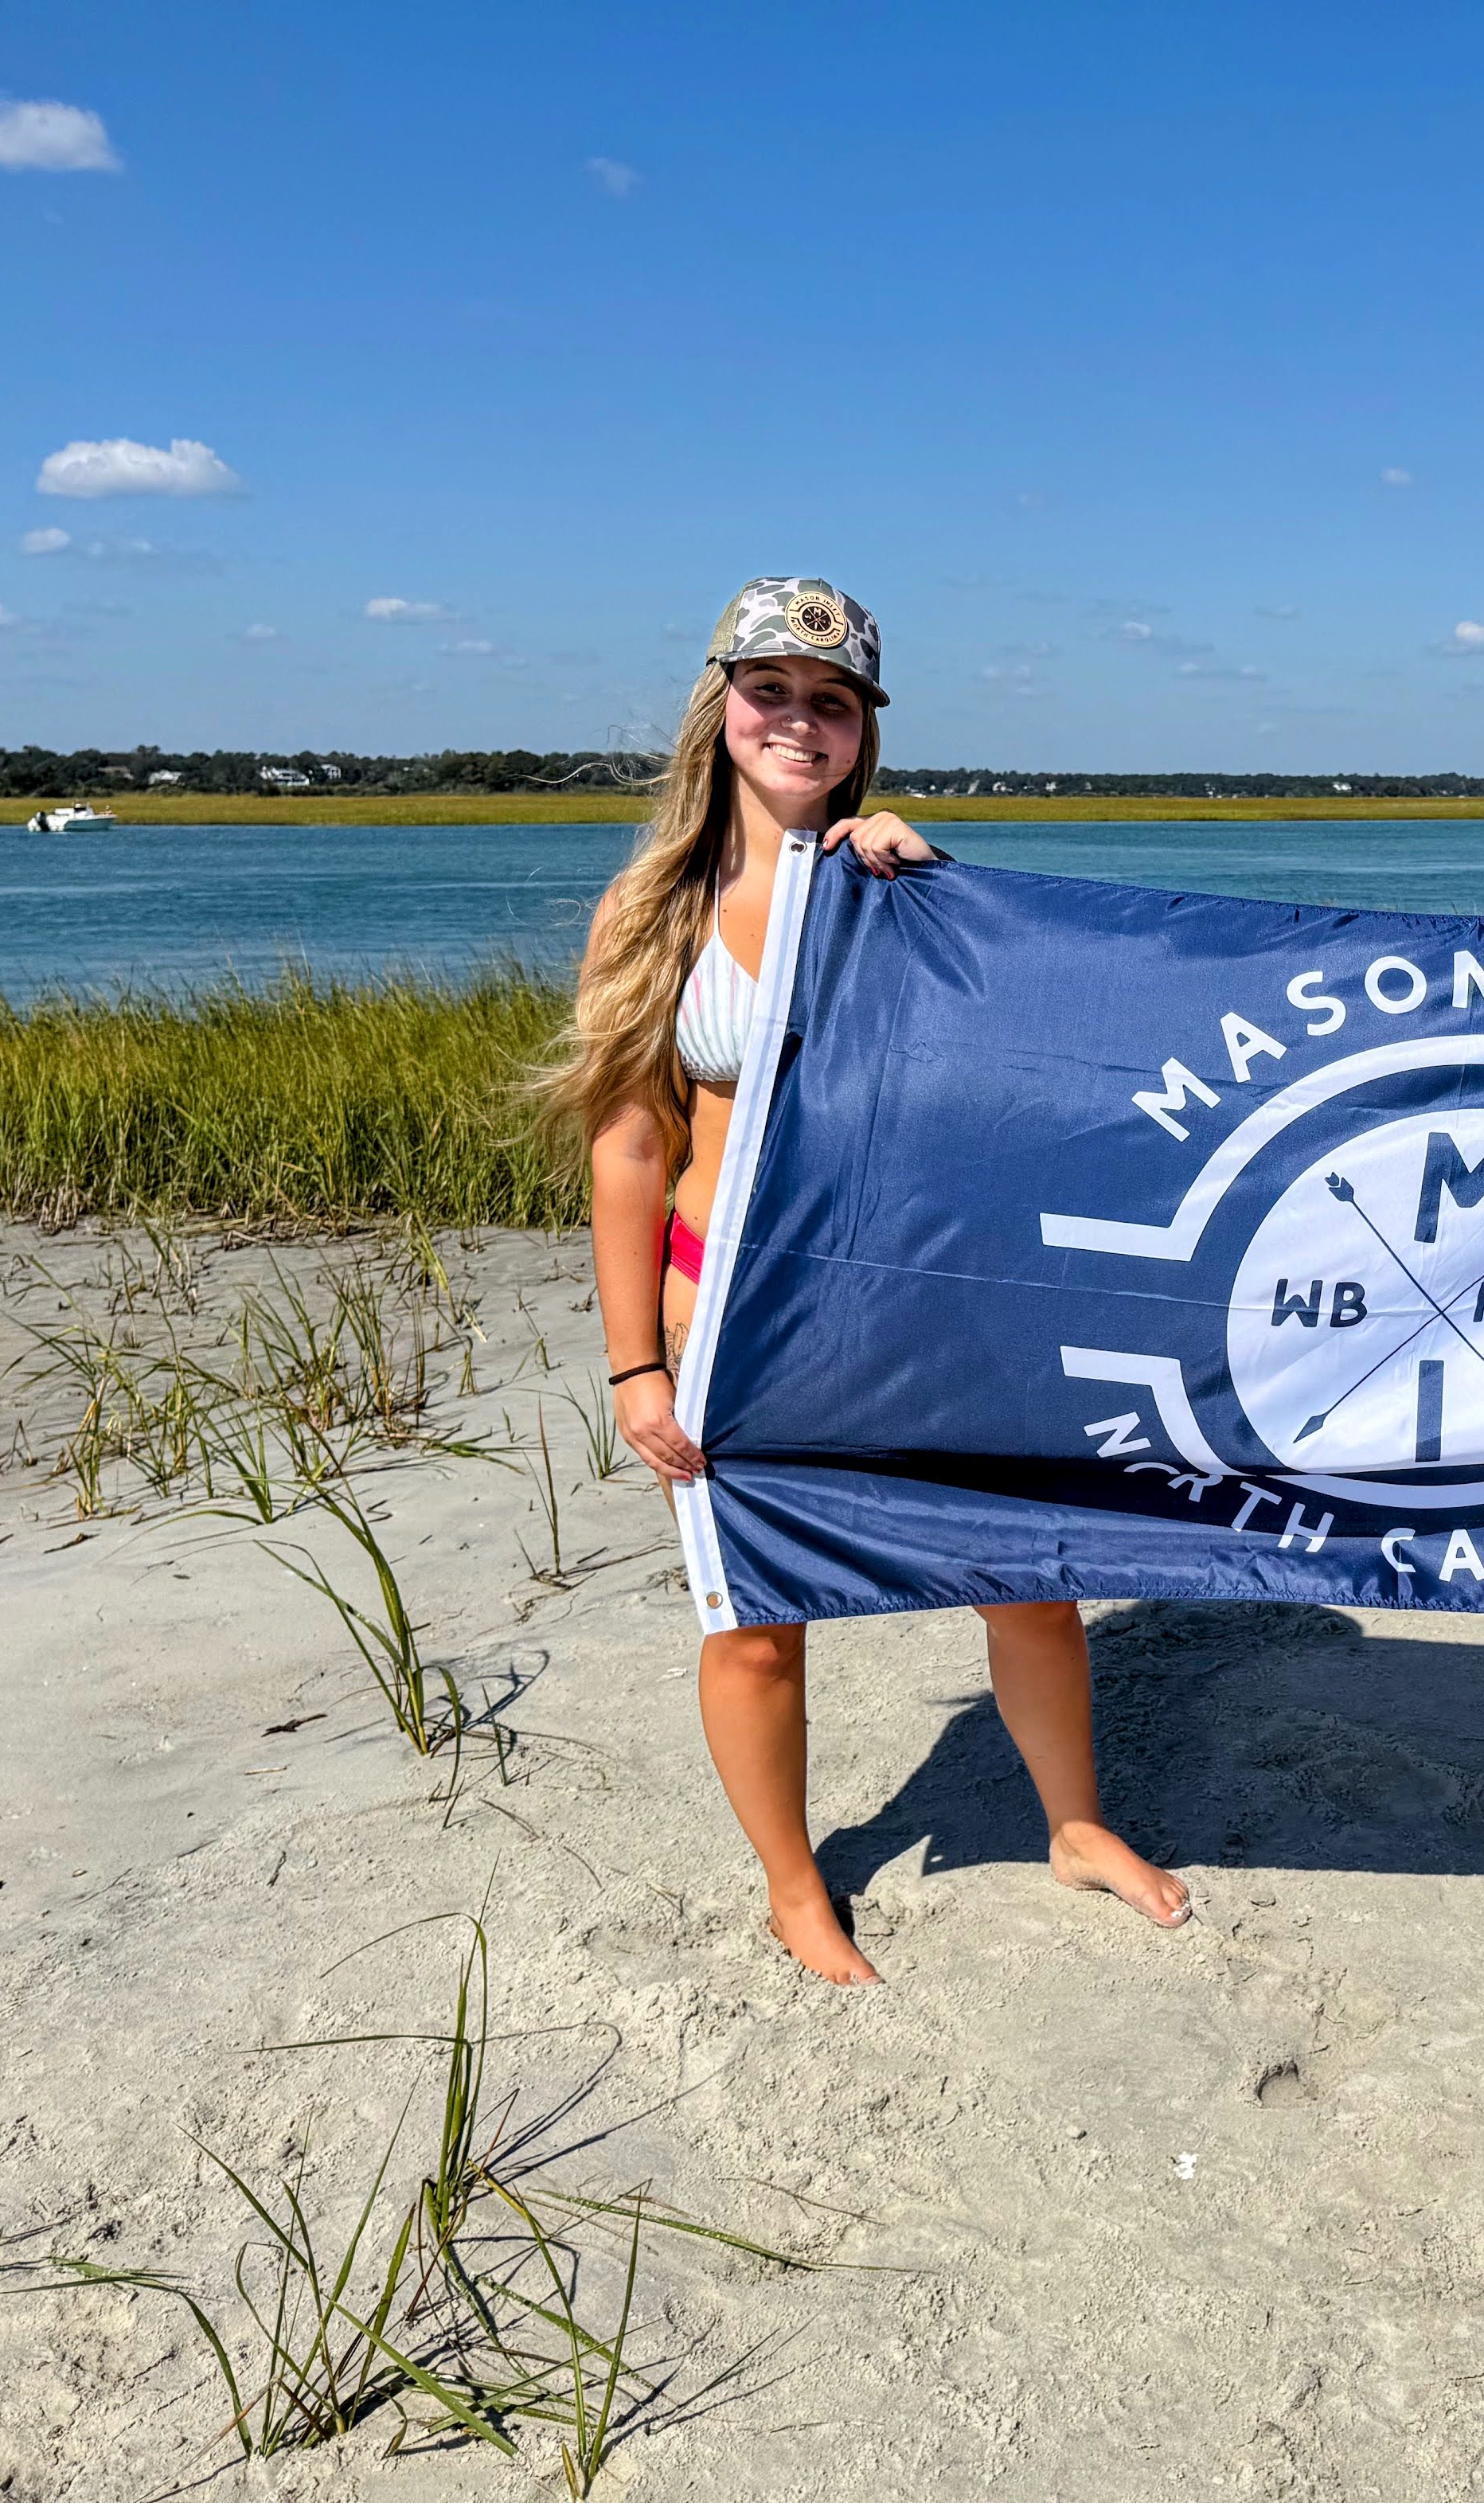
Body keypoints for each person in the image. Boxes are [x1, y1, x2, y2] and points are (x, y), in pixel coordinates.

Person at [538, 577, 1191, 1985]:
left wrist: (925, 878)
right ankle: (793, 1885)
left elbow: (1013, 1075)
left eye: (831, 704)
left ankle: (1076, 1824)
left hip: (912, 1307)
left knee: (1026, 1581)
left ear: (862, 736)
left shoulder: (896, 886)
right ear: (722, 710)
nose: (800, 721)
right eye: (772, 692)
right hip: (726, 1314)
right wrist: (633, 1363)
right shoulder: (648, 914)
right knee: (761, 1627)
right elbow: (629, 1149)